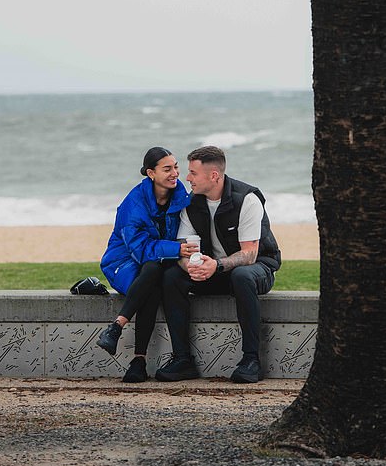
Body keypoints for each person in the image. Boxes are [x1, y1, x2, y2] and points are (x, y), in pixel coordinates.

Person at [155, 146, 281, 384]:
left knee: (241, 276)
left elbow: (250, 253)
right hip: (213, 270)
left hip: (256, 270)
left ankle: (251, 360)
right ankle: (183, 360)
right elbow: (184, 249)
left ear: (213, 176)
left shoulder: (247, 199)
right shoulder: (190, 204)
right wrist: (189, 266)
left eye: (193, 173)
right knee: (171, 276)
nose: (187, 178)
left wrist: (218, 265)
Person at [96, 147, 197, 382]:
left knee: (154, 275)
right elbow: (140, 250)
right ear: (151, 173)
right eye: (167, 169)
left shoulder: (180, 195)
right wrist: (176, 249)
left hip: (157, 263)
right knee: (151, 276)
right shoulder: (133, 204)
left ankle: (125, 341)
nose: (175, 173)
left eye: (176, 167)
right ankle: (136, 355)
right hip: (123, 262)